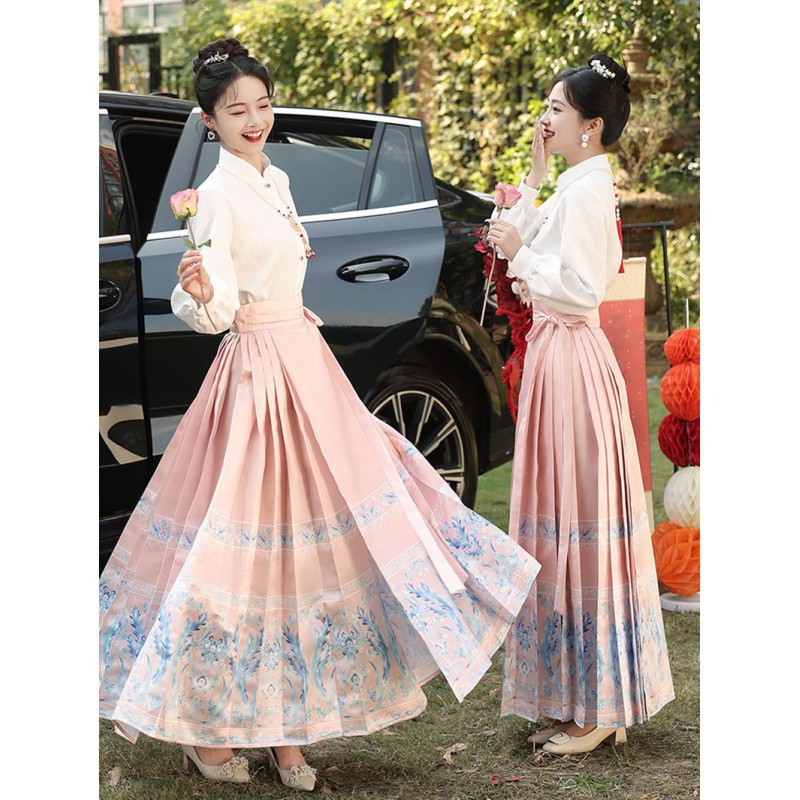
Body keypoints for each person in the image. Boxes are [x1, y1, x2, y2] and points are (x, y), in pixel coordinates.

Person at [99, 38, 541, 790]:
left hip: (305, 369)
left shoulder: (277, 180)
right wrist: (199, 292)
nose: (254, 119)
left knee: (313, 551)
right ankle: (211, 733)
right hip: (256, 380)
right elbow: (212, 309)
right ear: (208, 121)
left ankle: (289, 733)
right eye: (236, 110)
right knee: (250, 554)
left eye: (262, 105)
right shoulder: (214, 197)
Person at [487, 53, 674, 756]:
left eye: (557, 109)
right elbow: (522, 239)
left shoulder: (592, 192)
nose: (546, 117)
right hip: (557, 358)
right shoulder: (574, 184)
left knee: (580, 521)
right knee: (562, 520)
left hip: (572, 354)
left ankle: (599, 708)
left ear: (590, 125)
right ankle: (580, 697)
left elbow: (582, 286)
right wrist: (533, 181)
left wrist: (520, 254)